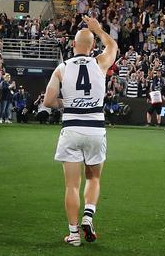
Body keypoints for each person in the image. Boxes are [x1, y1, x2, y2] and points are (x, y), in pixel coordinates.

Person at [44, 15, 118, 247]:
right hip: (96, 128)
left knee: (71, 185)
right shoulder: (100, 63)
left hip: (72, 129)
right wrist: (98, 29)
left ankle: (74, 234)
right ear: (92, 47)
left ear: (73, 45)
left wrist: (66, 104)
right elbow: (113, 46)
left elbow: (48, 101)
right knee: (94, 177)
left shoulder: (62, 68)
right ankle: (89, 214)